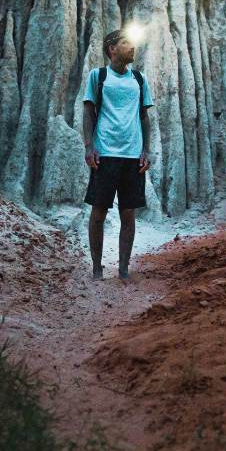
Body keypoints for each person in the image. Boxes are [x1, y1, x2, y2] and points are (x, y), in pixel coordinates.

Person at [82, 28, 154, 281]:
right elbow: (88, 112)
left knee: (128, 214)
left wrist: (146, 150)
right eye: (126, 43)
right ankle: (97, 268)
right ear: (112, 49)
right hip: (105, 153)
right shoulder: (99, 76)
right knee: (98, 213)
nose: (132, 47)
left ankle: (123, 269)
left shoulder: (139, 79)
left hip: (132, 156)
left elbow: (144, 116)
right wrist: (89, 146)